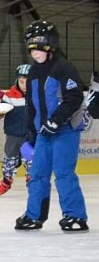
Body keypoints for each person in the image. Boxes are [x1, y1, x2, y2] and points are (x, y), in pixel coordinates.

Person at [15, 20, 88, 232]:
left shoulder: (63, 68)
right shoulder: (34, 74)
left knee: (64, 173)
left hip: (64, 131)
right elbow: (31, 106)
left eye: (39, 45)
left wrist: (56, 120)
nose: (34, 51)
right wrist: (31, 132)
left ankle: (75, 216)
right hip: (43, 133)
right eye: (31, 46)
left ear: (50, 44)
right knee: (37, 174)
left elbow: (74, 97)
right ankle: (34, 215)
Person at [0, 64, 32, 196]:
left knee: (30, 159)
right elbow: (0, 112)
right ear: (17, 81)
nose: (24, 85)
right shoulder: (9, 96)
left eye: (27, 81)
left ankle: (33, 182)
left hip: (29, 135)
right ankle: (6, 182)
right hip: (13, 135)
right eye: (21, 81)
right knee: (10, 160)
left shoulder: (36, 96)